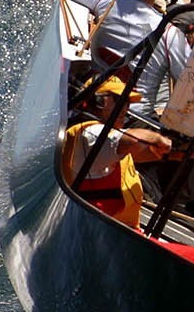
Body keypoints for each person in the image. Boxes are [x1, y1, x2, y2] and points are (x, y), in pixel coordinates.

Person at [62, 75, 173, 230]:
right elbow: (134, 141)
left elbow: (150, 151)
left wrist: (177, 150)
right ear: (99, 101)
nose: (125, 108)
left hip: (117, 230)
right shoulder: (89, 133)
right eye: (118, 100)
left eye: (127, 103)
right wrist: (159, 139)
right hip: (95, 230)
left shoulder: (111, 140)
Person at [91, 0, 189, 115]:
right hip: (134, 120)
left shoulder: (104, 4)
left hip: (94, 104)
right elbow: (189, 85)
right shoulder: (170, 34)